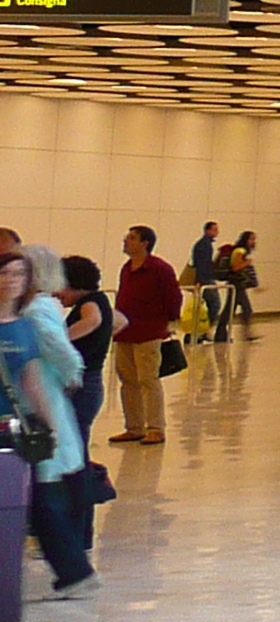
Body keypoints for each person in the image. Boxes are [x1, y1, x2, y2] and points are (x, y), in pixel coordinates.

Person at [1, 242, 93, 597]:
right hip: (21, 419)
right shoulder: (36, 313)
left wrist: (48, 423)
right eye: (6, 274)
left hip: (19, 423)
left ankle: (73, 569)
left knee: (42, 497)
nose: (12, 281)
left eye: (18, 274)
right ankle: (73, 569)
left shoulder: (28, 320)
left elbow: (34, 374)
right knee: (43, 497)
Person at [110, 226, 180, 445]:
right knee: (128, 381)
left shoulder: (160, 269)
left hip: (149, 332)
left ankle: (156, 428)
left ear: (145, 243)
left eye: (131, 238)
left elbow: (173, 297)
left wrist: (167, 322)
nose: (126, 241)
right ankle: (134, 427)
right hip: (125, 333)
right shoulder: (126, 268)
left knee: (148, 380)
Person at [58, 254, 113, 439]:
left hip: (84, 384)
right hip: (91, 382)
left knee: (75, 442)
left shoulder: (89, 303)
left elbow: (93, 320)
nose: (56, 294)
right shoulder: (100, 299)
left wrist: (60, 341)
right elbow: (121, 321)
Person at [223, 231, 261, 344]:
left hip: (236, 284)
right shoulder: (240, 251)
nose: (253, 242)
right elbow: (235, 267)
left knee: (229, 310)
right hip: (237, 285)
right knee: (246, 309)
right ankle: (246, 333)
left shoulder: (240, 251)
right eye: (251, 239)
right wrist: (246, 263)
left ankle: (221, 333)